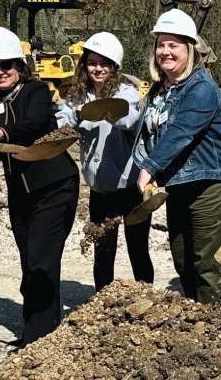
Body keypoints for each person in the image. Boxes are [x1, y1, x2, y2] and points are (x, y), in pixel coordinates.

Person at [0, 28, 80, 345]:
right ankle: (36, 331)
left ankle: (37, 340)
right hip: (21, 194)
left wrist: (0, 134)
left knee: (41, 263)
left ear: (19, 65)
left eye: (6, 64)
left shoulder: (37, 91)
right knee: (28, 264)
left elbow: (33, 124)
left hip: (55, 185)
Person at [132, 8, 221, 304]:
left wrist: (149, 167)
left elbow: (180, 132)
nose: (165, 52)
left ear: (189, 49)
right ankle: (197, 325)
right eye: (161, 44)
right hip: (179, 185)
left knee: (210, 265)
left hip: (211, 185)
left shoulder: (201, 88)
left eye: (173, 45)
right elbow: (148, 133)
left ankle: (214, 330)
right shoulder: (158, 89)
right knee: (183, 261)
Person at [57, 32, 151, 292]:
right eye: (92, 62)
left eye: (104, 63)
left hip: (130, 189)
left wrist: (103, 110)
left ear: (114, 66)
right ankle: (102, 301)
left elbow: (131, 120)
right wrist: (78, 114)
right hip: (100, 191)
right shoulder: (78, 95)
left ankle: (147, 298)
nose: (97, 69)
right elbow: (62, 123)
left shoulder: (127, 92)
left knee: (138, 249)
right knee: (103, 251)